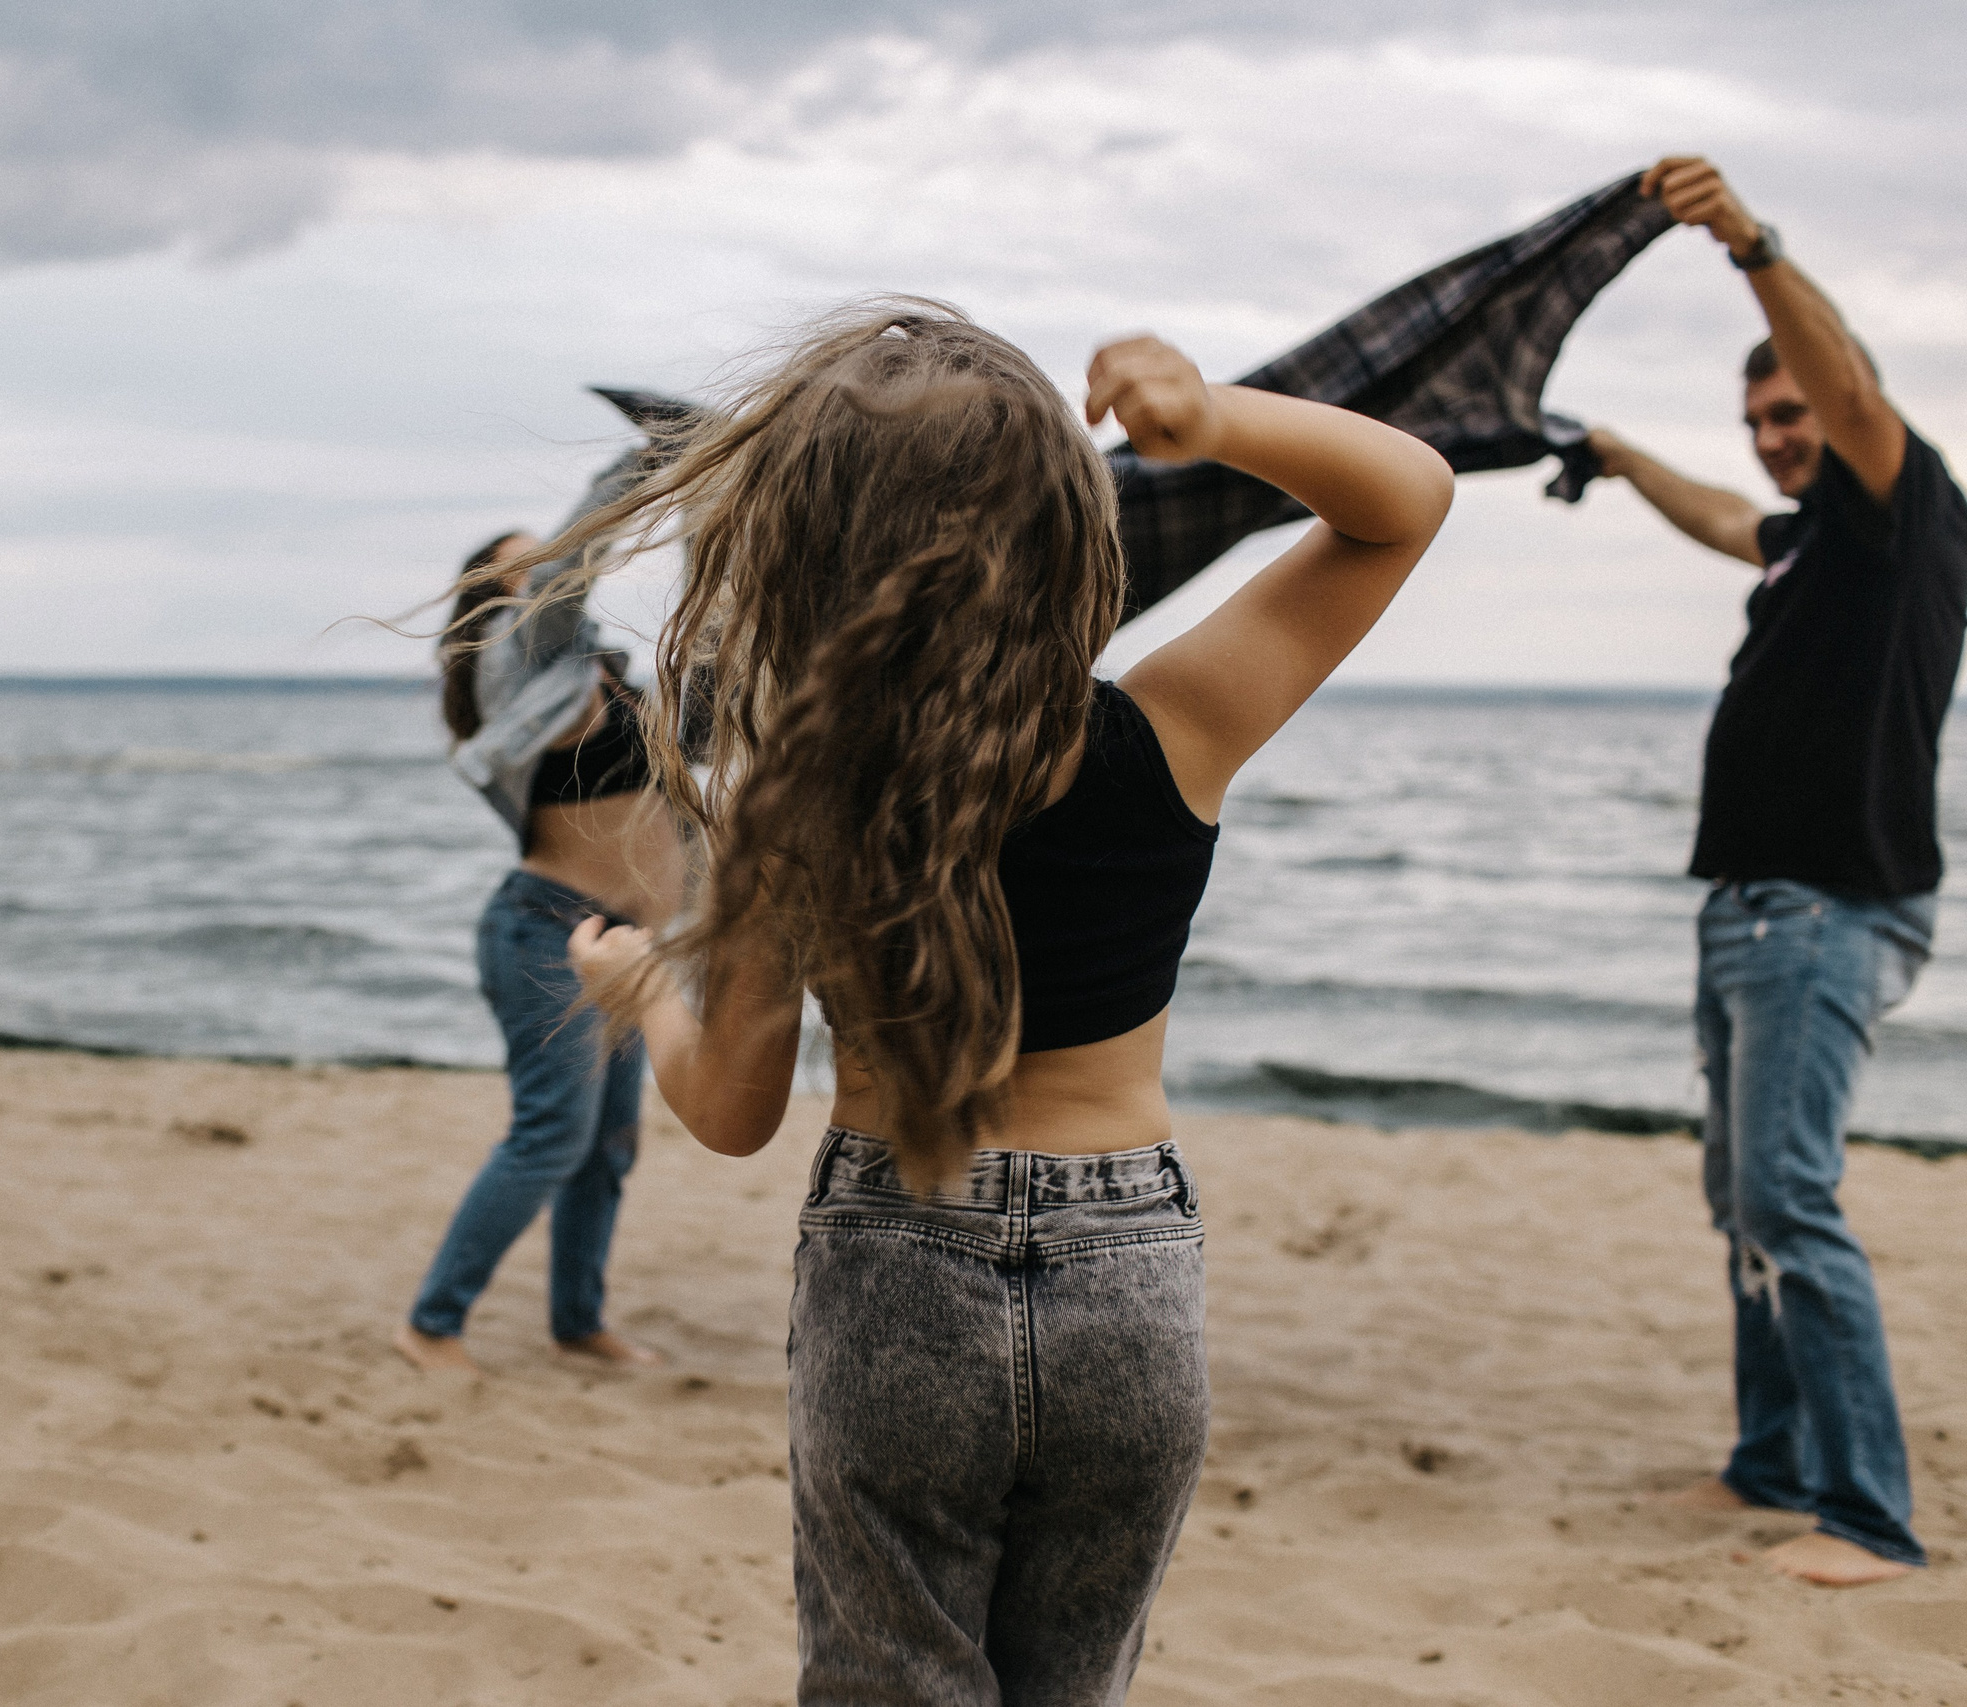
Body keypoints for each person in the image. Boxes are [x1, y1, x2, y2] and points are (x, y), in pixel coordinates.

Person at [555, 301, 1451, 1703]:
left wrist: (640, 991)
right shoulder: (1177, 723)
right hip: (1127, 1278)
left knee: (887, 1674)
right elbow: (1405, 499)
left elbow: (731, 1109)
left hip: (894, 1259)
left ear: (807, 555)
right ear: (1068, 531)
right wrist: (1211, 423)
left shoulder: (795, 792)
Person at [1580, 157, 1965, 1587]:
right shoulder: (1809, 544)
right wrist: (1622, 454)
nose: (1771, 438)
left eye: (1787, 410)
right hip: (1750, 911)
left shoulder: (1903, 503)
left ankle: (1870, 1515)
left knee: (1791, 1198)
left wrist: (1747, 241)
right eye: (1753, 421)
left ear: (1837, 396)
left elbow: (1853, 397)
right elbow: (1722, 521)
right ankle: (1771, 1462)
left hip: (1822, 909)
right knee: (1745, 1200)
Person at [393, 440, 687, 1376]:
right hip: (547, 929)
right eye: (523, 565)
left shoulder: (600, 680)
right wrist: (646, 464)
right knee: (553, 1133)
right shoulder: (516, 674)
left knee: (606, 1147)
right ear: (493, 596)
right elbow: (570, 567)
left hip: (628, 948)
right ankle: (431, 1324)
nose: (549, 567)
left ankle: (576, 1322)